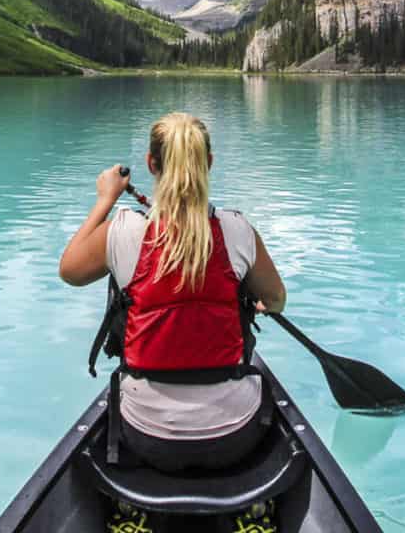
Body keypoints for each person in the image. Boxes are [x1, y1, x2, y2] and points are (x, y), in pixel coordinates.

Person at [59, 112, 287, 529]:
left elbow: (70, 271)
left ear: (151, 165)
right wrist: (256, 303)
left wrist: (106, 198)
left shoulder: (124, 231)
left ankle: (133, 509)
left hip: (147, 439)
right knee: (260, 401)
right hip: (233, 439)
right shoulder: (237, 229)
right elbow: (276, 299)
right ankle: (255, 509)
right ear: (210, 163)